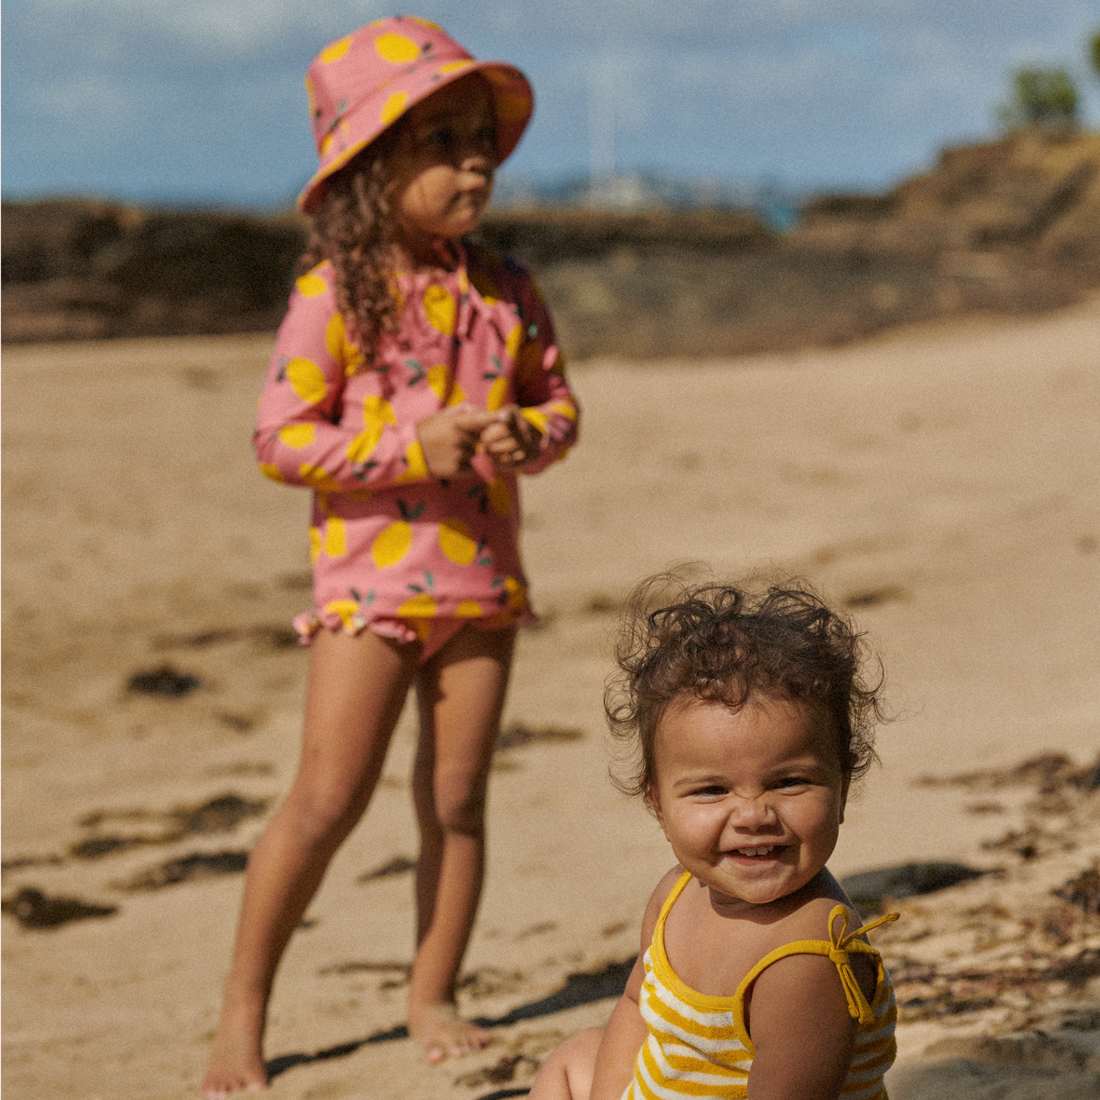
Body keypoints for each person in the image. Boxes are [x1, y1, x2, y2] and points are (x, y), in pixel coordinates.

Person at [201, 16, 578, 1097]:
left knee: (456, 801)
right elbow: (279, 440)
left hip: (484, 586)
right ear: (371, 167)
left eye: (480, 140)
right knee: (325, 800)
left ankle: (430, 989)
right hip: (367, 591)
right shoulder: (333, 295)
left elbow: (557, 407)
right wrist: (411, 444)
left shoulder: (507, 290)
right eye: (443, 141)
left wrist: (526, 435)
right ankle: (242, 1013)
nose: (473, 160)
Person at [529, 577, 897, 1100]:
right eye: (711, 790)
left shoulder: (807, 959)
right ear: (656, 802)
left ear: (844, 782)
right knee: (576, 1056)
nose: (752, 815)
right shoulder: (676, 894)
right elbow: (636, 1009)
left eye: (789, 782)